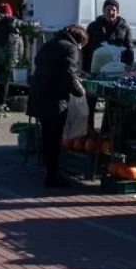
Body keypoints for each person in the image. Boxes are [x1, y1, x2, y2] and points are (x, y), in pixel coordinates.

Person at [29, 24, 88, 188]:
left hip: (39, 94)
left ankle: (49, 172)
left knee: (47, 136)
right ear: (80, 40)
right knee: (54, 138)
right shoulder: (71, 49)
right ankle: (52, 176)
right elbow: (69, 74)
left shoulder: (51, 43)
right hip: (54, 99)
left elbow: (37, 60)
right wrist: (80, 92)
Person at [83, 0, 134, 128]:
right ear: (103, 11)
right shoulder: (94, 26)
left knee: (112, 101)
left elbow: (129, 48)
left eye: (114, 10)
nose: (111, 12)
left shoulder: (124, 28)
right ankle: (88, 130)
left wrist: (128, 66)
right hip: (95, 70)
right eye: (108, 10)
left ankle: (107, 131)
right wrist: (85, 68)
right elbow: (86, 48)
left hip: (115, 71)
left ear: (118, 12)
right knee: (90, 101)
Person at [0, 3, 26, 108]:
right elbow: (20, 45)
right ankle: (2, 102)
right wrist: (20, 58)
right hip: (8, 58)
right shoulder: (13, 25)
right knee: (5, 81)